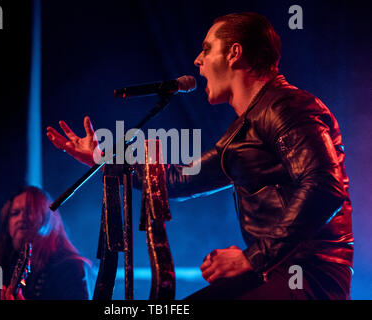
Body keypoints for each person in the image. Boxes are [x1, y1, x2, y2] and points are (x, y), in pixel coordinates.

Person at [46, 12, 353, 299]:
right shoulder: (246, 127)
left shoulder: (286, 107)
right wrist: (103, 158)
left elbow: (324, 188)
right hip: (276, 270)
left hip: (308, 277)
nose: (198, 60)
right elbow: (175, 180)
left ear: (234, 53)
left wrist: (251, 257)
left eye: (207, 49)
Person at [0, 186, 90, 300]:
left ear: (48, 219)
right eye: (15, 213)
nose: (21, 218)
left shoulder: (70, 267)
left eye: (29, 211)